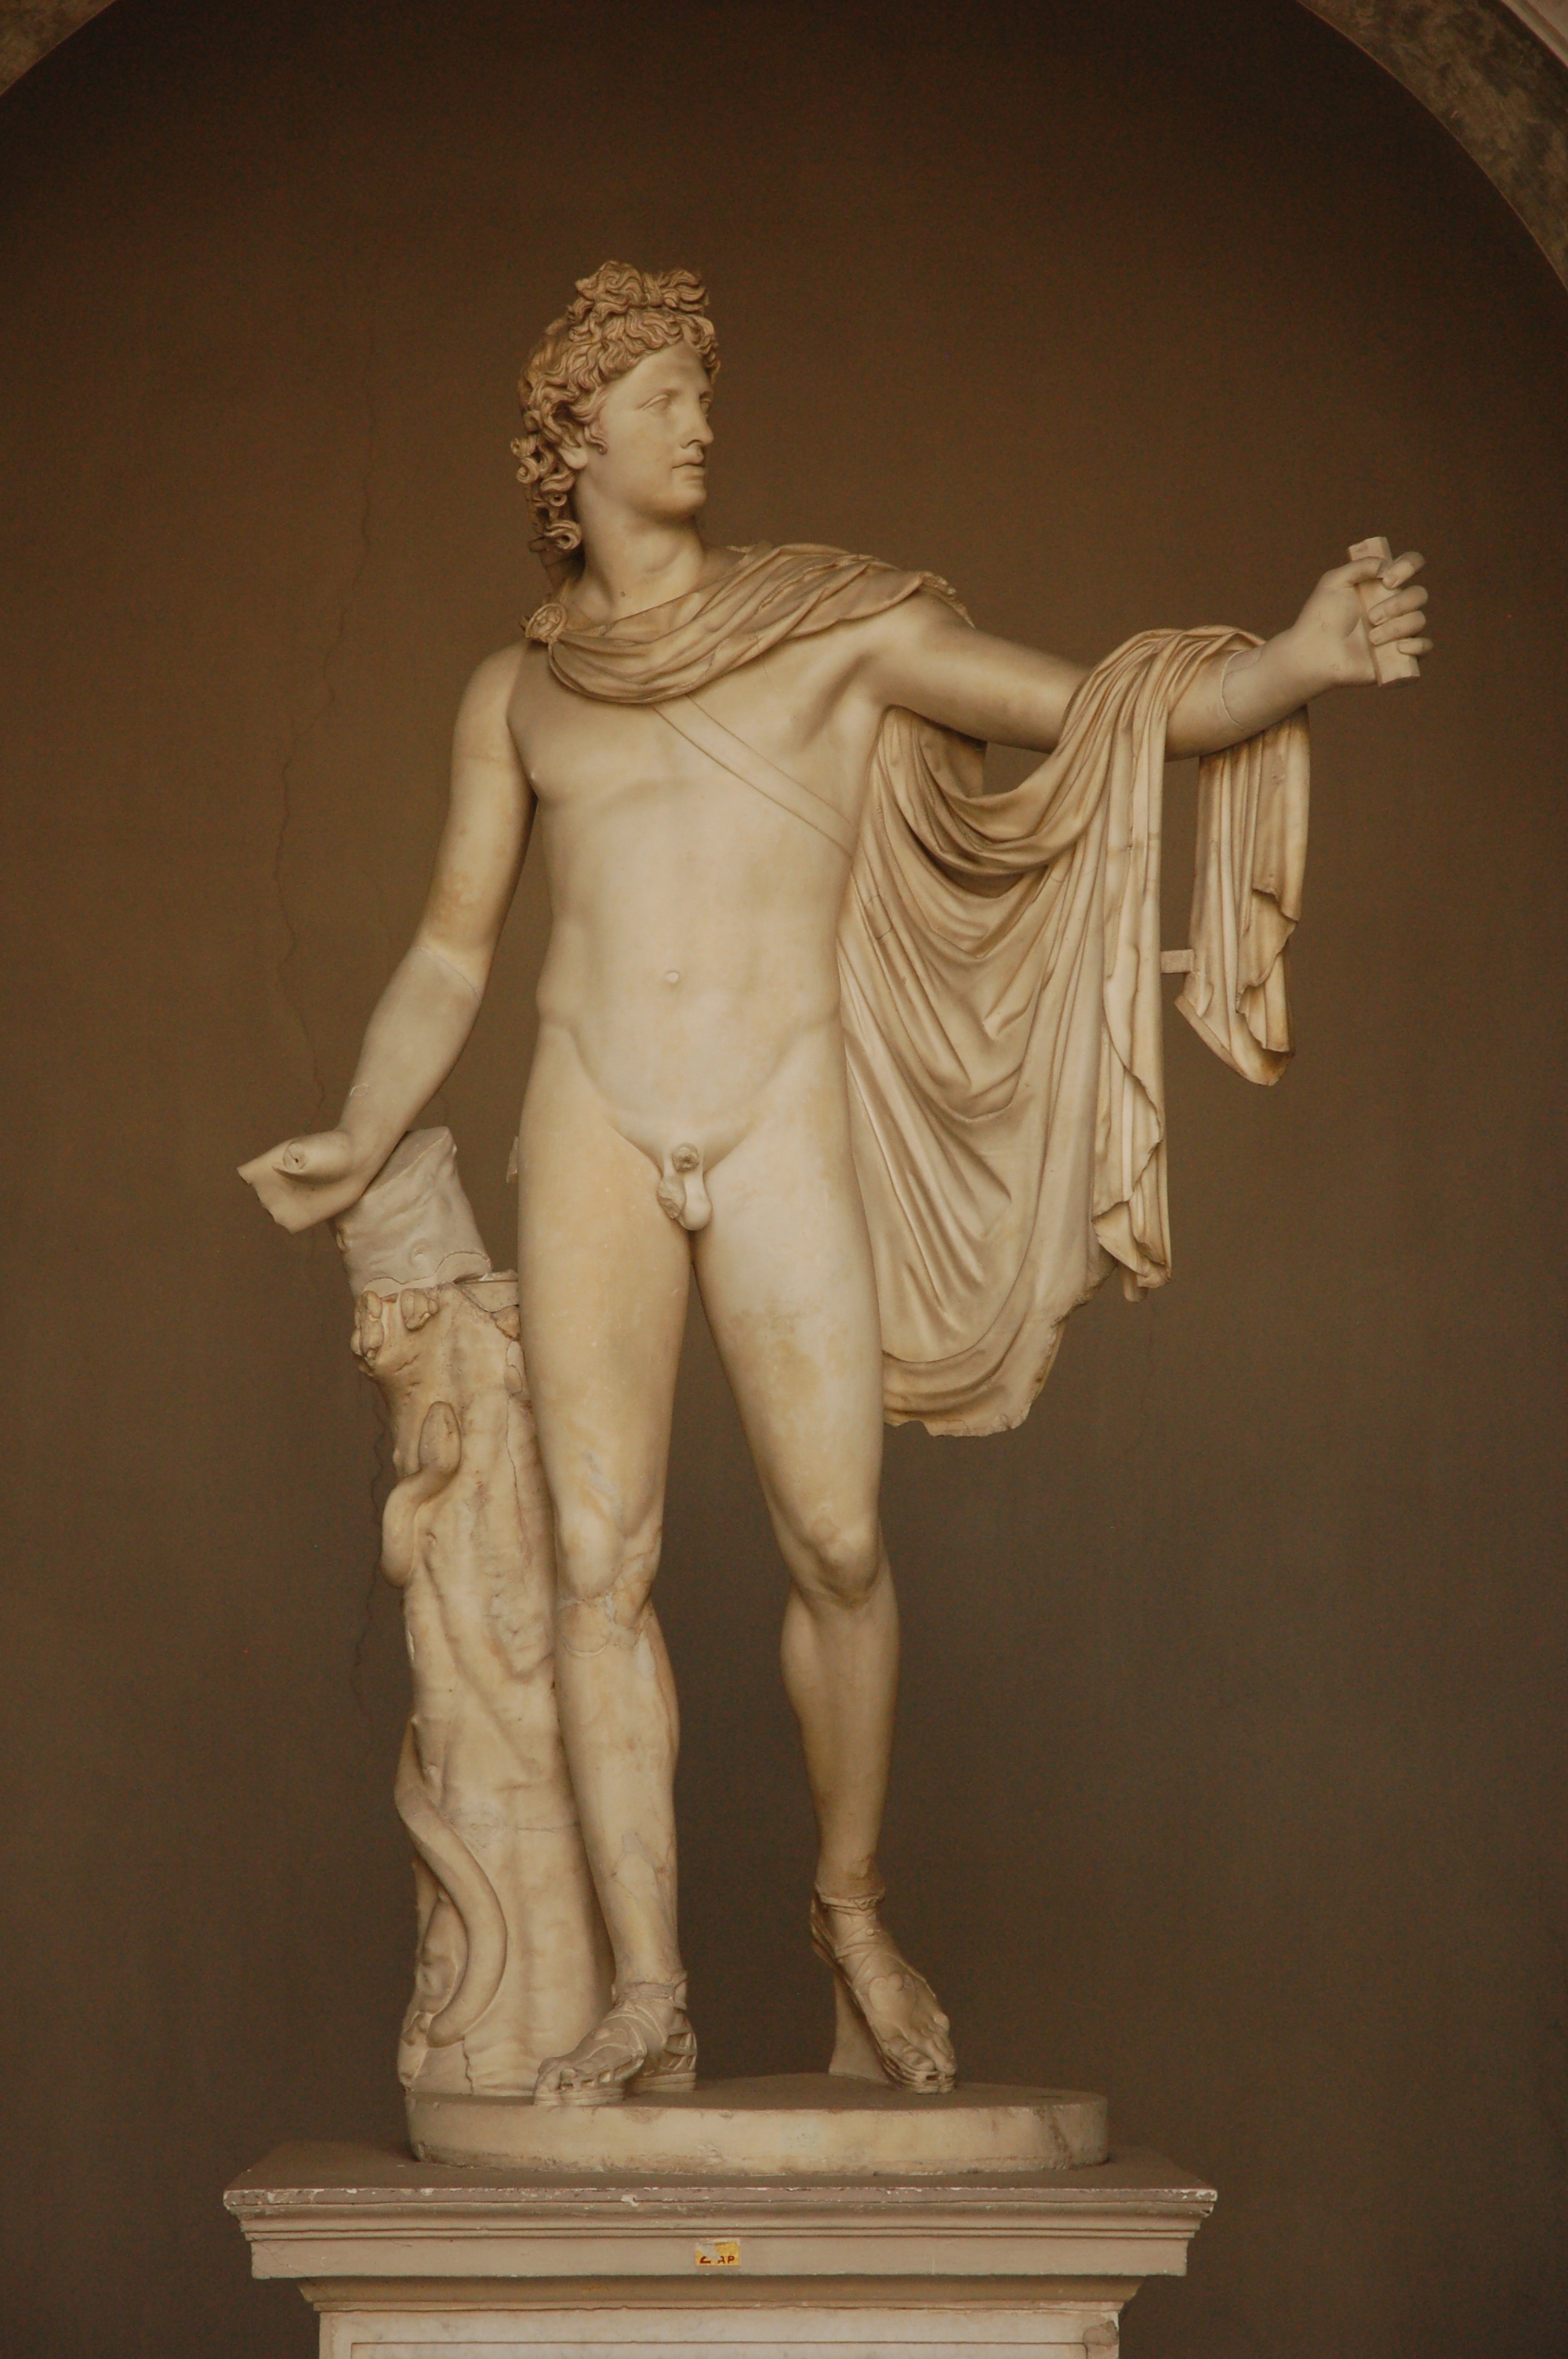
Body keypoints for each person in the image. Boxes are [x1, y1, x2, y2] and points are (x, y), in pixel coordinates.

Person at [242, 262, 1431, 2106]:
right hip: (591, 1116)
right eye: (659, 394)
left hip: (777, 1104)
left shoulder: (833, 629)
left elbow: (1093, 712)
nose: (698, 420)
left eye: (701, 390)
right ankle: (648, 1991)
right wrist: (360, 1116)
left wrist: (1288, 665)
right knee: (598, 1561)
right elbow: (454, 949)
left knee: (840, 1541)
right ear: (572, 436)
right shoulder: (519, 694)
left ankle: (851, 1915)